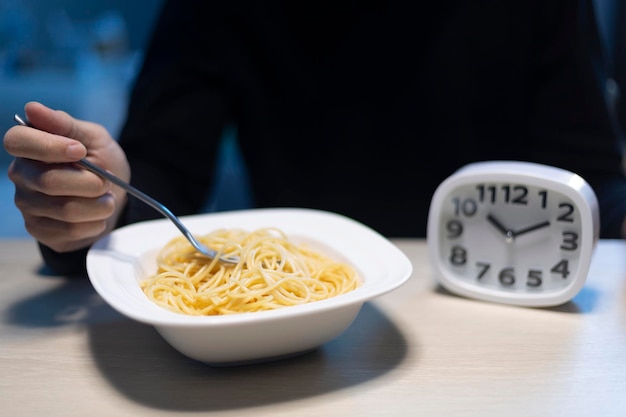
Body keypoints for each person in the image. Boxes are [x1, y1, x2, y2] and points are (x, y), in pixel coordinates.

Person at [4, 0, 626, 276]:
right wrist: (97, 200)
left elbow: (593, 182)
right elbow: (163, 171)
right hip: (281, 332)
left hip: (502, 300)